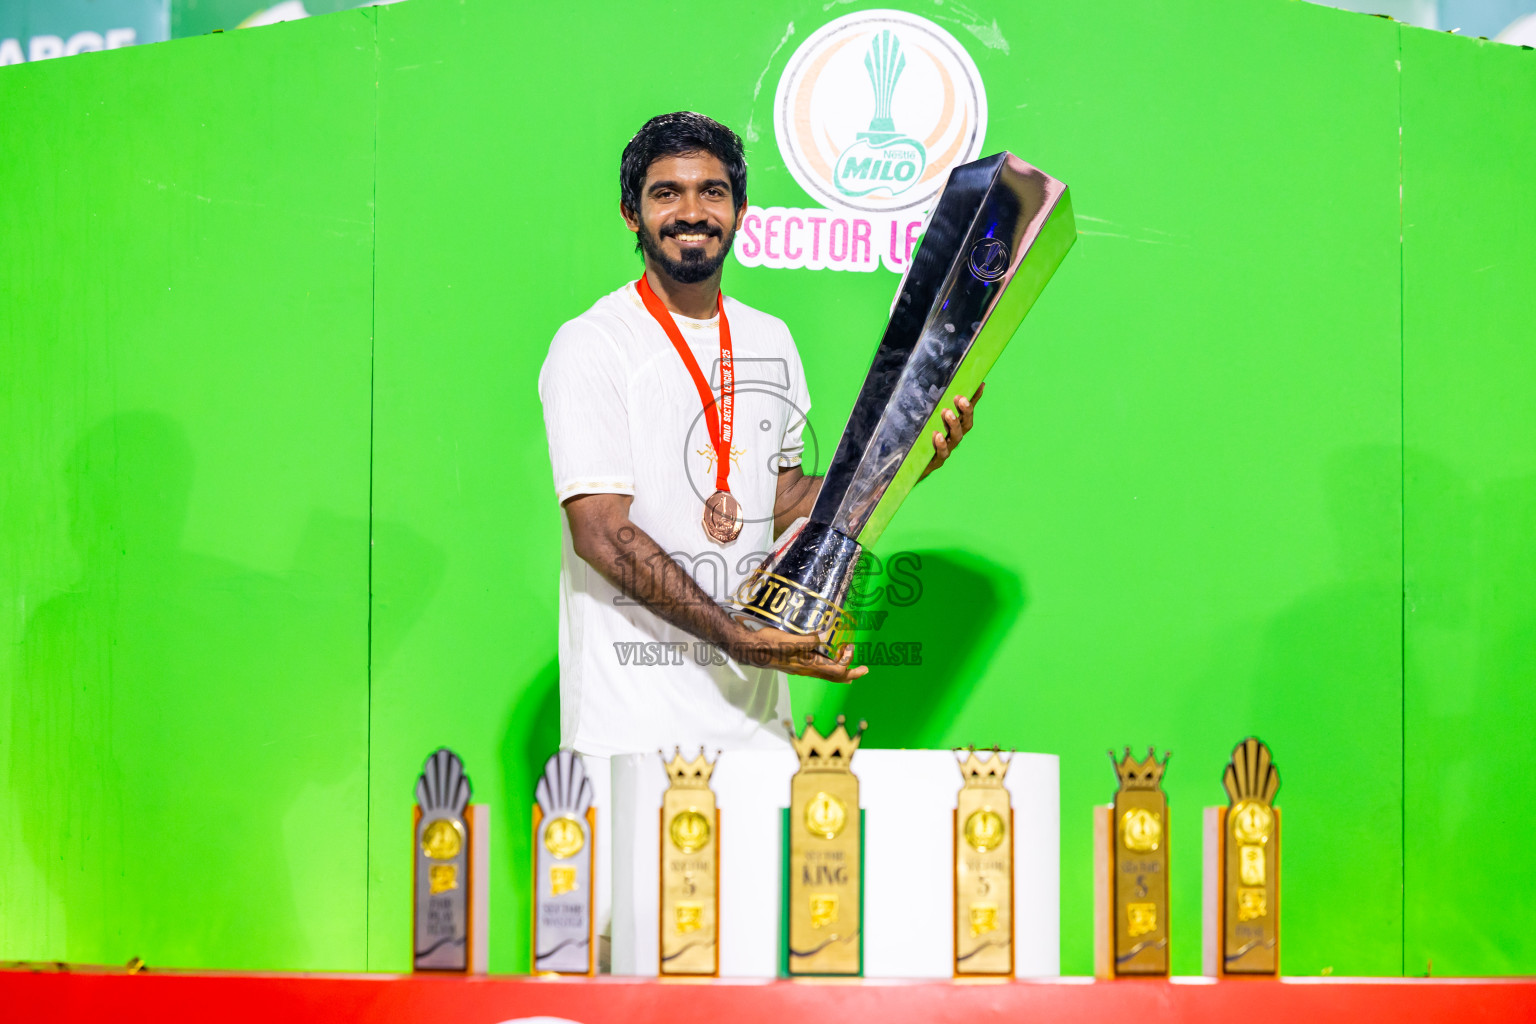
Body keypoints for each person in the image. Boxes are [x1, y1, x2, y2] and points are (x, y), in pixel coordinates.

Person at [537, 111, 979, 965]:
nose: (691, 211)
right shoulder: (593, 345)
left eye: (712, 192)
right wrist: (741, 634)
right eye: (666, 193)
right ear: (632, 214)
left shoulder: (769, 339)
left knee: (758, 970)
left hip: (755, 733)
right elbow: (602, 532)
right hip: (632, 732)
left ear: (739, 211)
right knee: (625, 974)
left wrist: (906, 458)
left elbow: (782, 504)